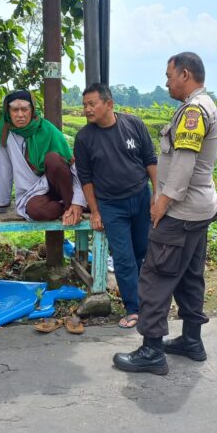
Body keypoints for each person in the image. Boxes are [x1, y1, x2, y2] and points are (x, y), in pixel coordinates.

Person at [113, 52, 217, 375]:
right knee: (189, 274)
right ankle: (191, 340)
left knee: (156, 276)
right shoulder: (204, 106)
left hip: (182, 211)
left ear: (185, 74)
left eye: (169, 75)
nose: (166, 82)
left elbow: (185, 162)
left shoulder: (193, 111)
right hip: (199, 209)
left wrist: (162, 202)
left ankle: (151, 350)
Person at [73, 83, 158, 328]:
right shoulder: (85, 138)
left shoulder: (134, 125)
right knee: (123, 257)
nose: (87, 110)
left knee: (143, 251)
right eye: (84, 105)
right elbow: (86, 179)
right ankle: (134, 308)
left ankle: (148, 302)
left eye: (92, 104)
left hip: (141, 198)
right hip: (111, 206)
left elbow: (150, 160)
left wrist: (156, 194)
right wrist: (96, 211)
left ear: (108, 104)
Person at [0, 90, 86, 225]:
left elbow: (73, 166)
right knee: (35, 210)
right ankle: (70, 207)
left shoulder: (47, 129)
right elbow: (3, 170)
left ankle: (71, 207)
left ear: (32, 110)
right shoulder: (4, 133)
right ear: (8, 112)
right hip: (34, 191)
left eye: (24, 109)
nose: (20, 115)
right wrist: (1, 203)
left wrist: (78, 200)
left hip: (62, 186)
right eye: (15, 110)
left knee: (53, 159)